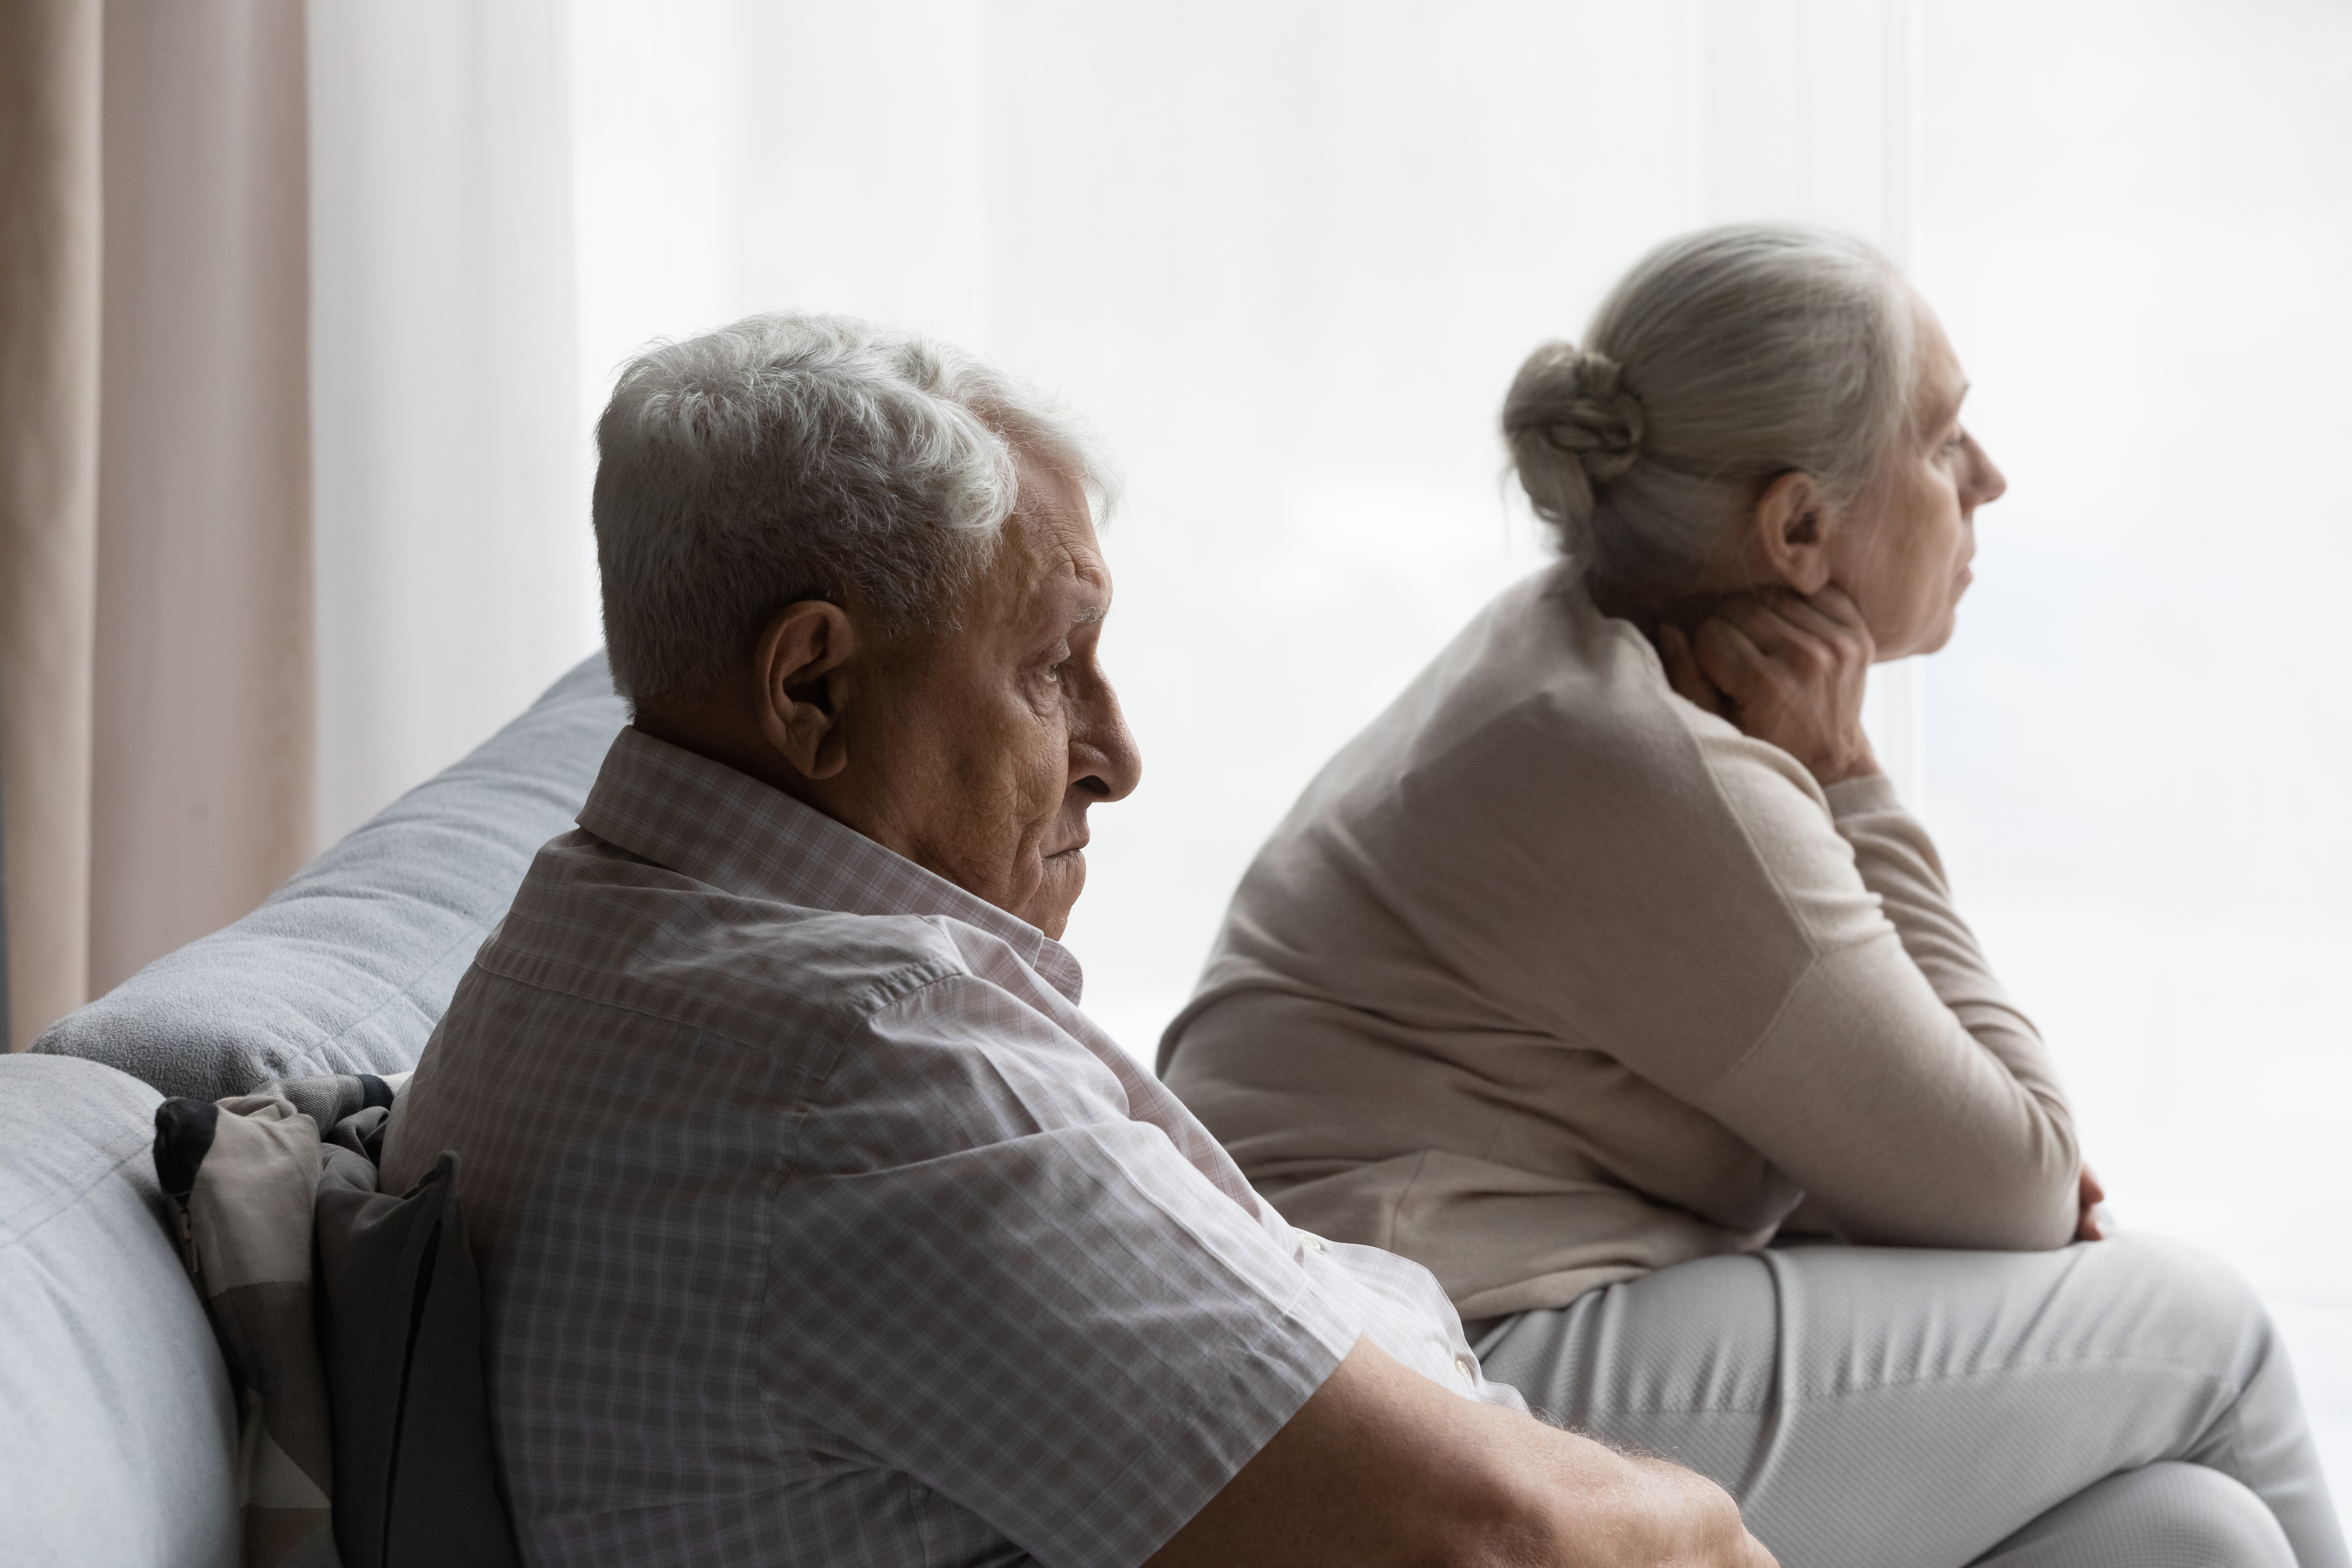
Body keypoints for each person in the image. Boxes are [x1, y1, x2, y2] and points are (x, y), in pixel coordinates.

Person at [379, 313, 1774, 1568]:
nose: (1116, 756)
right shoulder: (877, 1075)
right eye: (1052, 668)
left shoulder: (567, 944)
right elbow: (1501, 1544)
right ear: (813, 687)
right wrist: (1713, 1537)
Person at [1157, 224, 2349, 1568]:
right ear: (1797, 528)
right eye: (1947, 442)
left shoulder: (1564, 663)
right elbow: (2020, 1184)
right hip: (1435, 1380)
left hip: (1390, 1350)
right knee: (2208, 1332)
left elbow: (1971, 1181)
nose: (1992, 481)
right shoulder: (1656, 767)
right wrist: (1849, 778)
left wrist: (1950, 1174)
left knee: (2191, 1538)